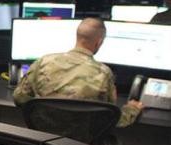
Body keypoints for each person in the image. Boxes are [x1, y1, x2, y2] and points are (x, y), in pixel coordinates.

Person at [13, 18, 143, 127]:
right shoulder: (104, 73)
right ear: (99, 42)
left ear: (77, 36)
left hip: (43, 141)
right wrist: (132, 109)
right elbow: (111, 117)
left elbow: (19, 98)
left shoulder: (43, 61)